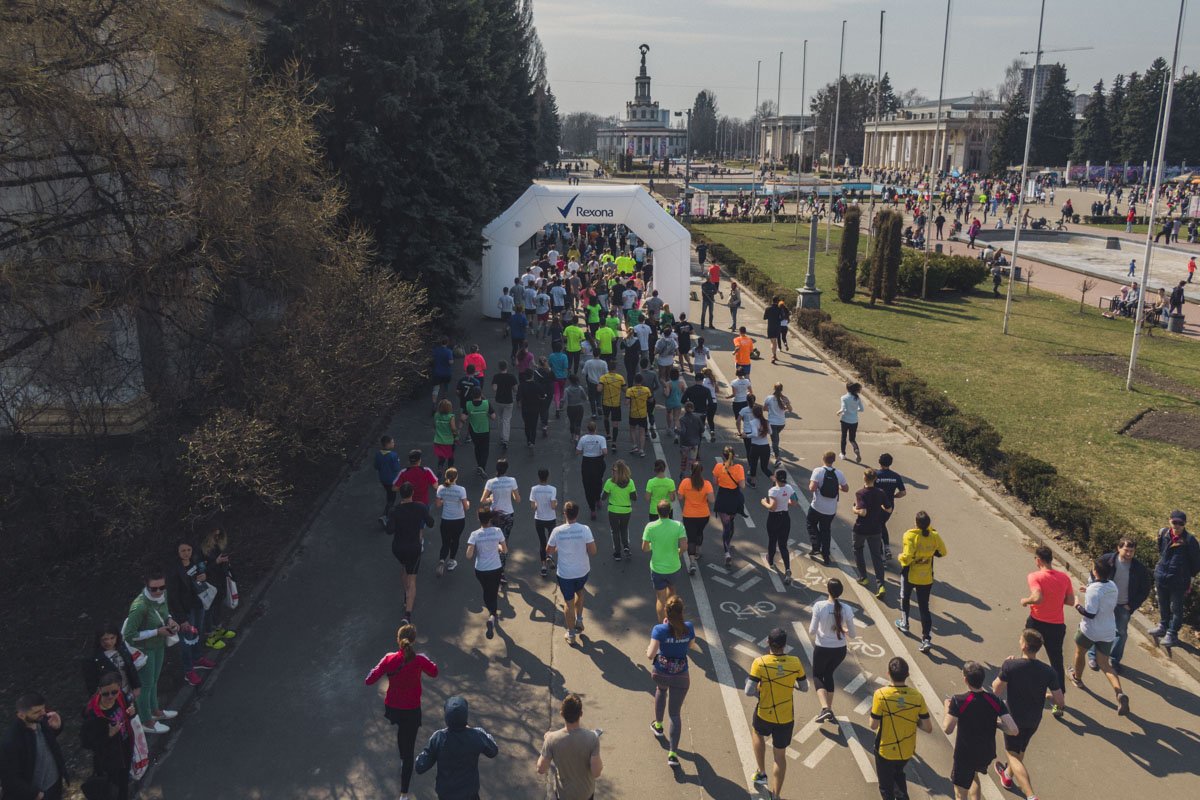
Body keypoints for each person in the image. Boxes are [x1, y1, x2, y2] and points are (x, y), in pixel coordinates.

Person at [365, 624, 438, 800]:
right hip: (412, 710)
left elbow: (369, 680)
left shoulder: (389, 659)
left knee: (401, 732)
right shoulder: (419, 659)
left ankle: (402, 756)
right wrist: (428, 660)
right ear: (413, 640)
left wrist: (374, 669)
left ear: (398, 640)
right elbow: (434, 672)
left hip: (393, 708)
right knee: (409, 751)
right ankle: (404, 793)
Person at [991, 629, 1064, 800]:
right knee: (1020, 749)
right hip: (1033, 720)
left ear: (1023, 645)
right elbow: (1060, 701)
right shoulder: (1048, 671)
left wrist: (1003, 668)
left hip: (1013, 719)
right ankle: (1007, 777)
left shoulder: (1011, 665)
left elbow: (996, 689)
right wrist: (1044, 695)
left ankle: (1031, 795)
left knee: (1012, 754)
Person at [942, 662, 1019, 800]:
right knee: (974, 775)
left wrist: (947, 708)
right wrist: (996, 724)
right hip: (985, 753)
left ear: (965, 679)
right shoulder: (995, 700)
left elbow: (948, 728)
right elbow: (1013, 730)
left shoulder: (958, 700)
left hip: (965, 755)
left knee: (960, 793)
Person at [746, 627, 807, 799]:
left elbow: (748, 691)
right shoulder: (795, 662)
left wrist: (759, 690)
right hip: (786, 717)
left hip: (764, 712)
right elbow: (804, 687)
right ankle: (776, 794)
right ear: (785, 645)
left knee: (757, 733)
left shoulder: (760, 662)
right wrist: (790, 684)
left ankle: (761, 772)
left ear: (768, 642)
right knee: (780, 756)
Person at [1069, 558, 1130, 715]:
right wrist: (1089, 588)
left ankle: (1077, 677)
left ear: (1095, 572)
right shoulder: (1112, 586)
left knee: (1079, 653)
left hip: (1089, 630)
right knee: (1105, 665)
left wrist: (1076, 604)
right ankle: (1119, 693)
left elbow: (1090, 613)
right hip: (1108, 630)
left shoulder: (1093, 590)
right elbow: (1101, 592)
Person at [120, 571, 179, 733]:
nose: (159, 591)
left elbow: (164, 613)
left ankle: (155, 711)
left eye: (162, 587)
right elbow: (129, 635)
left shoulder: (162, 595)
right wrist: (157, 632)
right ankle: (146, 721)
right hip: (144, 649)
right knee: (145, 685)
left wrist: (170, 621)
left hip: (158, 645)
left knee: (154, 680)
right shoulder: (139, 607)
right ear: (146, 585)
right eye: (154, 589)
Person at [1019, 545, 1074, 713]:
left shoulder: (1035, 576)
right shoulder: (1064, 578)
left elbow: (1038, 597)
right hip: (1057, 626)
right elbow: (1071, 601)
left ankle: (1023, 690)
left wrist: (1026, 601)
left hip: (1036, 623)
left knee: (1027, 656)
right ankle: (1059, 700)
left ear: (1038, 560)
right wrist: (1056, 599)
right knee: (1056, 661)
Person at [869, 657, 932, 800]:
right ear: (907, 675)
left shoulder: (881, 695)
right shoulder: (917, 696)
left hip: (885, 749)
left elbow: (873, 725)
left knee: (886, 789)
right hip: (906, 750)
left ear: (888, 673)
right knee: (898, 774)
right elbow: (928, 727)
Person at [647, 596, 699, 769]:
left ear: (666, 612)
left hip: (661, 673)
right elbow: (691, 646)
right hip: (681, 676)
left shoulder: (659, 629)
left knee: (661, 691)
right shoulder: (689, 627)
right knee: (675, 714)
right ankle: (672, 754)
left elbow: (650, 654)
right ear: (682, 612)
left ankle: (658, 725)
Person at [414, 696, 499, 800]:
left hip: (446, 794)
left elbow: (420, 766)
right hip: (470, 794)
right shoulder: (476, 735)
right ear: (466, 716)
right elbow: (493, 751)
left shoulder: (439, 737)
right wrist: (477, 732)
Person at [1089, 537, 1152, 671]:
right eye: (1126, 550)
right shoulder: (1108, 560)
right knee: (1099, 628)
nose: (1129, 554)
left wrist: (1132, 605)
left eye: (1132, 551)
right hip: (1105, 603)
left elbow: (1145, 589)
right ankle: (1093, 656)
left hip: (1123, 606)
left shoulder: (1139, 568)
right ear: (1118, 548)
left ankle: (1114, 659)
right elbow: (1094, 570)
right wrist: (1094, 587)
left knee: (1121, 633)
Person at [895, 511, 948, 653]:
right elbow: (943, 552)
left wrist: (899, 557)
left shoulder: (910, 536)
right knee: (924, 607)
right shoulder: (934, 536)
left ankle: (904, 623)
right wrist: (931, 554)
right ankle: (926, 639)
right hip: (926, 577)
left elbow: (907, 557)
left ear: (916, 523)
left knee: (905, 597)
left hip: (910, 574)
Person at [546, 501, 597, 645]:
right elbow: (593, 551)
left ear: (564, 514)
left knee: (568, 603)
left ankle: (571, 633)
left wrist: (558, 548)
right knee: (580, 592)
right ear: (577, 514)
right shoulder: (585, 529)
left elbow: (548, 551)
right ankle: (579, 620)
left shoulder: (557, 531)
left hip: (565, 574)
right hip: (582, 571)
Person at [79, 672, 135, 800]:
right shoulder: (93, 715)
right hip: (109, 760)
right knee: (112, 790)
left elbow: (129, 714)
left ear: (120, 688)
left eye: (114, 692)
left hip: (125, 749)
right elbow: (86, 742)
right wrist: (108, 735)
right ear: (99, 690)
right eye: (105, 693)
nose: (110, 696)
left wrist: (132, 712)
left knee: (124, 784)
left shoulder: (121, 697)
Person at [0, 692, 66, 800]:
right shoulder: (11, 742)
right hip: (37, 793)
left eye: (43, 709)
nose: (43, 713)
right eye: (36, 712)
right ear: (21, 715)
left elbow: (47, 742)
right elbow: (9, 778)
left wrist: (58, 727)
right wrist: (34, 794)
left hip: (54, 783)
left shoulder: (42, 720)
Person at [1149, 509, 1200, 648]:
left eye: (1180, 523)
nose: (1177, 526)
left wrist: (1187, 576)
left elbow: (1196, 563)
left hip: (1179, 581)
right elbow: (1161, 551)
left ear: (1184, 524)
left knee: (1176, 608)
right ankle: (1163, 625)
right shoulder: (1163, 534)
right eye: (1174, 522)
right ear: (1169, 520)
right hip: (1162, 577)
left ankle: (1172, 633)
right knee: (1163, 604)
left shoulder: (1190, 541)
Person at [537, 694, 602, 799]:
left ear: (562, 714)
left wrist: (547, 743)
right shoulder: (592, 738)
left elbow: (541, 769)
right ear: (581, 714)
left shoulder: (551, 739)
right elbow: (596, 772)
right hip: (585, 794)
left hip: (564, 794)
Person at [165, 541, 211, 687]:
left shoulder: (194, 561)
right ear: (177, 553)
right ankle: (188, 670)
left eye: (189, 550)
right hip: (185, 610)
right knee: (186, 638)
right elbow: (173, 597)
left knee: (198, 631)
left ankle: (197, 658)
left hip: (198, 604)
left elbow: (201, 575)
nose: (186, 553)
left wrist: (204, 577)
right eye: (183, 551)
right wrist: (182, 619)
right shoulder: (174, 570)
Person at [809, 578, 855, 723]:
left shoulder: (819, 606)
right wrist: (843, 629)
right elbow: (853, 635)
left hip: (822, 648)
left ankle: (825, 708)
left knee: (817, 676)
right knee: (828, 674)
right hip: (839, 650)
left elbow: (812, 631)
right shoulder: (846, 609)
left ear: (828, 590)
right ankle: (829, 709)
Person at [388, 482, 435, 623]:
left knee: (404, 569)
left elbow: (389, 530)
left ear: (400, 494)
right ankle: (407, 615)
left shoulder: (394, 510)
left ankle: (406, 595)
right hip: (413, 548)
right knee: (412, 578)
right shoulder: (420, 507)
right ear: (412, 493)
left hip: (398, 548)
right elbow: (431, 522)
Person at [467, 507, 507, 640]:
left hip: (481, 569)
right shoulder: (497, 531)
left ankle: (492, 614)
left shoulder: (475, 534)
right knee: (493, 592)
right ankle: (492, 615)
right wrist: (498, 547)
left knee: (486, 591)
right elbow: (505, 550)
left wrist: (474, 549)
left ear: (478, 518)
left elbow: (469, 555)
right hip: (495, 568)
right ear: (490, 519)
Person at [643, 500, 688, 620]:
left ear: (657, 512)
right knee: (672, 592)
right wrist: (678, 553)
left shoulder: (650, 527)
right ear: (670, 511)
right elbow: (684, 547)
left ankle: (662, 627)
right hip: (674, 567)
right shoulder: (678, 525)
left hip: (657, 569)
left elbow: (645, 548)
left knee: (660, 599)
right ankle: (673, 620)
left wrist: (654, 546)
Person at [481, 459, 520, 580]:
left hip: (495, 515)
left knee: (494, 541)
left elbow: (483, 500)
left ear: (496, 469)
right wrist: (512, 494)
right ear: (506, 469)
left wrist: (491, 499)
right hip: (508, 515)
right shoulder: (512, 481)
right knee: (504, 542)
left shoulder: (491, 482)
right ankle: (501, 572)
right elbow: (518, 499)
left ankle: (492, 567)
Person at [807, 452, 848, 566]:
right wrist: (837, 485)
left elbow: (812, 488)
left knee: (811, 524)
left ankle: (816, 545)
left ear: (823, 458)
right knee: (826, 531)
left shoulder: (818, 471)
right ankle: (826, 556)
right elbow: (846, 488)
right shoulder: (839, 473)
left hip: (817, 506)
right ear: (833, 460)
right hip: (830, 510)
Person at [761, 470, 798, 584]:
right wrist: (785, 502)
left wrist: (764, 502)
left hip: (774, 518)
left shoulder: (773, 491)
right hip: (785, 518)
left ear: (776, 478)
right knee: (783, 545)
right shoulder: (789, 488)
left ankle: (771, 561)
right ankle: (787, 569)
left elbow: (772, 507)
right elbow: (794, 502)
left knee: (772, 541)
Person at [678, 462, 714, 574]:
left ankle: (692, 562)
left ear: (691, 470)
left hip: (689, 515)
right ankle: (698, 551)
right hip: (703, 515)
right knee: (699, 532)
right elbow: (712, 500)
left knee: (691, 537)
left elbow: (679, 497)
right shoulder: (707, 484)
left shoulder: (685, 482)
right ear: (702, 471)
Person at [713, 447, 747, 568]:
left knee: (725, 525)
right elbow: (742, 485)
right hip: (734, 498)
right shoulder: (739, 468)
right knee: (731, 522)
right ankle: (728, 543)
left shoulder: (718, 467)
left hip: (722, 497)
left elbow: (715, 482)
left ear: (723, 456)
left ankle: (727, 552)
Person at [435, 468, 469, 577]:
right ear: (456, 477)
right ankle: (451, 562)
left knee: (445, 542)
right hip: (458, 520)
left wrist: (445, 500)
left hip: (445, 520)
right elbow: (466, 507)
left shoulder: (441, 488)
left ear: (446, 476)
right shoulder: (461, 490)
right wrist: (468, 503)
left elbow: (438, 505)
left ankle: (441, 561)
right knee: (455, 540)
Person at [601, 460, 637, 561]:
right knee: (624, 529)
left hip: (613, 510)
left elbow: (603, 497)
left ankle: (617, 553)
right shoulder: (630, 482)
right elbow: (634, 498)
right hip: (626, 511)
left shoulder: (609, 482)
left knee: (615, 531)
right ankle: (626, 546)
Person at [873, 453, 907, 560]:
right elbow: (903, 492)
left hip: (877, 506)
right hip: (889, 506)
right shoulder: (895, 476)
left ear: (879, 462)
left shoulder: (875, 475)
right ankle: (887, 548)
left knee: (878, 527)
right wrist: (894, 496)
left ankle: (881, 554)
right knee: (882, 524)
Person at [528, 469, 559, 578]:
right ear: (548, 476)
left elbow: (533, 507)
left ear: (539, 477)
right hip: (550, 519)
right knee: (551, 540)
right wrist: (556, 503)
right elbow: (553, 506)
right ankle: (549, 555)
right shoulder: (552, 489)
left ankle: (543, 567)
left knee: (542, 542)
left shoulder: (534, 489)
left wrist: (538, 505)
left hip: (539, 519)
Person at [576, 422, 609, 520]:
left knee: (587, 486)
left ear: (587, 429)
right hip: (598, 462)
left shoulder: (583, 439)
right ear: (595, 429)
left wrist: (585, 450)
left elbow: (577, 452)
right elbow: (605, 452)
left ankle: (592, 509)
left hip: (587, 463)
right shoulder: (601, 438)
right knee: (598, 481)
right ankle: (598, 498)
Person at [462, 388, 495, 478]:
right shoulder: (486, 403)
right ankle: (481, 466)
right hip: (484, 429)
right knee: (485, 449)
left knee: (477, 447)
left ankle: (479, 465)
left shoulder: (468, 404)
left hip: (473, 430)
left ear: (472, 395)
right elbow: (493, 417)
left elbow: (463, 418)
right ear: (481, 394)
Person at [375, 435, 403, 527]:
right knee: (392, 498)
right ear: (387, 444)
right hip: (392, 480)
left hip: (383, 479)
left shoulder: (378, 454)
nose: (394, 443)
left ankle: (387, 512)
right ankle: (385, 516)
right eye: (392, 442)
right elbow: (396, 468)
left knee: (389, 495)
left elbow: (376, 466)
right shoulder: (393, 455)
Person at [763, 384, 793, 467]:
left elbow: (764, 409)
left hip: (772, 423)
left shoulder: (769, 398)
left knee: (775, 442)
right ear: (782, 389)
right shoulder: (785, 398)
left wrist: (772, 409)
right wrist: (785, 406)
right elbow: (790, 409)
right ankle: (775, 451)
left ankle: (777, 459)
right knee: (775, 438)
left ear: (774, 388)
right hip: (781, 423)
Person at [491, 361, 518, 449]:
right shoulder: (511, 377)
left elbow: (494, 389)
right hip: (508, 401)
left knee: (500, 418)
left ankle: (502, 436)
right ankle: (505, 439)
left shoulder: (496, 377)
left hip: (499, 400)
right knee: (507, 419)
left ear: (499, 367)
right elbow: (515, 390)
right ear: (506, 367)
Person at [625, 374, 652, 457]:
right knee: (642, 432)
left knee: (632, 429)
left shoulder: (630, 390)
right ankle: (642, 450)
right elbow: (651, 400)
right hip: (643, 414)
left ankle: (634, 446)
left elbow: (626, 403)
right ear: (642, 381)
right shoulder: (646, 389)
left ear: (634, 381)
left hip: (633, 413)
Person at [598, 367, 626, 448]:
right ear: (615, 368)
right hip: (616, 403)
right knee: (615, 424)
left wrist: (599, 386)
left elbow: (599, 389)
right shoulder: (620, 377)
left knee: (606, 418)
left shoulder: (603, 377)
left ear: (608, 369)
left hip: (606, 402)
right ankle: (614, 443)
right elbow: (625, 389)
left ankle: (608, 435)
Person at [838, 382, 865, 461]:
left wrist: (838, 412)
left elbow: (843, 408)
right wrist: (855, 410)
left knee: (844, 437)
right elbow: (862, 409)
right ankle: (856, 449)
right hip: (854, 421)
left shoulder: (844, 398)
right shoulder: (857, 398)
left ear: (847, 389)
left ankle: (843, 454)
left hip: (845, 420)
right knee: (852, 439)